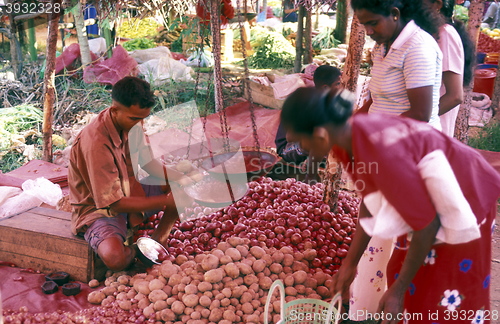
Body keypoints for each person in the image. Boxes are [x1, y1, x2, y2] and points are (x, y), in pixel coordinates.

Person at [280, 87, 500, 324]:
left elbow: (427, 224)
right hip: (427, 203)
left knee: (445, 295)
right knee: (407, 278)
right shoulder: (346, 140)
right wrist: (351, 263)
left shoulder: (381, 151)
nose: (303, 149)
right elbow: (371, 200)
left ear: (321, 135)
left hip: (465, 200)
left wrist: (398, 289)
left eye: (302, 141)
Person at [69, 76, 193, 271]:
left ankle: (159, 239)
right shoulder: (96, 143)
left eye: (143, 119)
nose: (139, 124)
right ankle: (137, 251)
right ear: (115, 110)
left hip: (130, 190)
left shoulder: (132, 121)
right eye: (135, 119)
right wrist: (165, 201)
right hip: (99, 208)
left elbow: (149, 163)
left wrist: (181, 178)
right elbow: (114, 203)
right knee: (114, 258)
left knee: (181, 186)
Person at [354, 0, 443, 130]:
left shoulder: (418, 46)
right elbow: (379, 99)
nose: (368, 32)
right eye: (364, 25)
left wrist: (374, 132)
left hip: (413, 141)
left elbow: (420, 114)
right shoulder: (382, 46)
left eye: (373, 23)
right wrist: (353, 122)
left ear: (394, 13)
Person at [274, 65, 342, 182]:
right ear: (325, 88)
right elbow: (291, 137)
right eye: (338, 84)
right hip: (288, 147)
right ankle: (310, 175)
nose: (342, 87)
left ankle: (314, 160)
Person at [425, 0, 475, 137]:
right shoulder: (429, 34)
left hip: (433, 131)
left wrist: (417, 119)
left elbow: (454, 96)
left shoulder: (444, 34)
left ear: (437, 5)